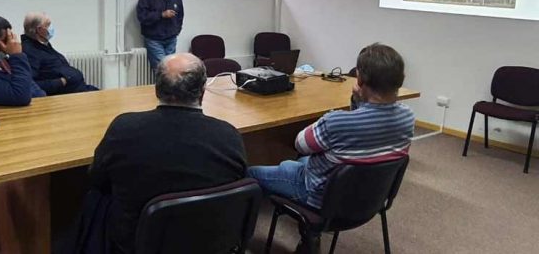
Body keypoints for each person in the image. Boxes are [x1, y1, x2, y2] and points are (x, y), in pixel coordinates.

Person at [88, 53, 246, 253]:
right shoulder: (229, 135)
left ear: (156, 90)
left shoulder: (124, 128)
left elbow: (96, 179)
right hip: (211, 240)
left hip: (139, 242)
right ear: (203, 92)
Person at [249, 43, 414, 212]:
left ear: (360, 79)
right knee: (297, 163)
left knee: (251, 172)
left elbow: (300, 144)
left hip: (321, 197)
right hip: (370, 197)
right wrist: (358, 101)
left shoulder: (336, 122)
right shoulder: (407, 116)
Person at [21, 12, 99, 95]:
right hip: (65, 97)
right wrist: (62, 81)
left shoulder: (43, 44)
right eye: (48, 24)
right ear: (39, 30)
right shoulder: (30, 51)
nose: (51, 27)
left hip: (78, 90)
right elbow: (30, 85)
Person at [136, 0, 184, 70]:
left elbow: (180, 15)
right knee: (162, 70)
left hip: (171, 39)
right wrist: (161, 15)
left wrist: (176, 30)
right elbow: (142, 16)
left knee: (171, 70)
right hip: (154, 40)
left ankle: (168, 87)